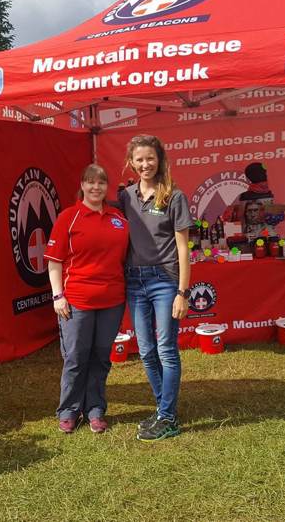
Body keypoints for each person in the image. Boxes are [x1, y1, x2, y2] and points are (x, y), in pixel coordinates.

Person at [46, 164, 129, 434]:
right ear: (82, 185)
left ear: (107, 187)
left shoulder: (119, 219)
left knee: (101, 358)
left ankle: (95, 409)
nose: (96, 187)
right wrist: (58, 295)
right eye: (91, 182)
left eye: (101, 183)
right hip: (76, 301)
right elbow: (54, 262)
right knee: (76, 358)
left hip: (112, 301)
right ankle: (69, 410)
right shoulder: (68, 218)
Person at [118, 135, 192, 441]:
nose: (145, 164)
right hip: (135, 281)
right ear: (131, 163)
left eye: (150, 158)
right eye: (139, 160)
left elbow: (184, 249)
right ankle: (165, 409)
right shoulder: (125, 196)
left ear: (159, 159)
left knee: (166, 350)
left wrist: (182, 293)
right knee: (146, 351)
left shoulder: (174, 196)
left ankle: (167, 417)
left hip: (165, 281)